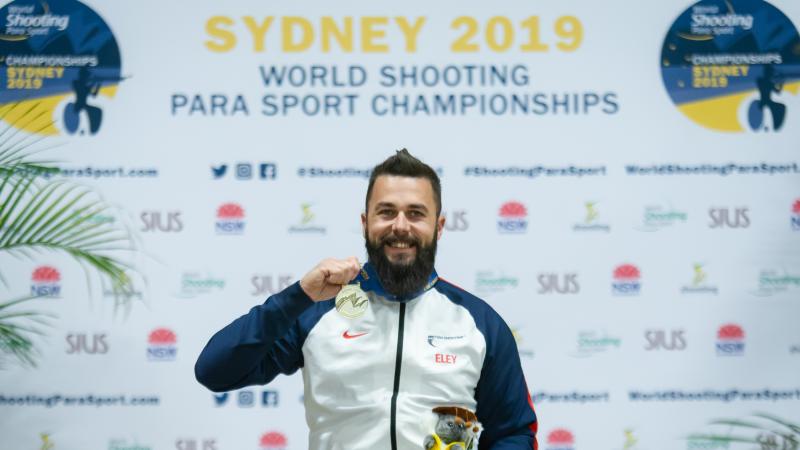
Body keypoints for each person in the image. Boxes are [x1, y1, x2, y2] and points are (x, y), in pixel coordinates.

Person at [195, 149, 538, 450]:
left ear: (440, 226)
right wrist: (296, 297)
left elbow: (513, 432)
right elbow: (215, 371)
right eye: (386, 212)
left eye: (416, 214)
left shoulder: (479, 323)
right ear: (365, 223)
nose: (400, 226)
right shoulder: (317, 310)